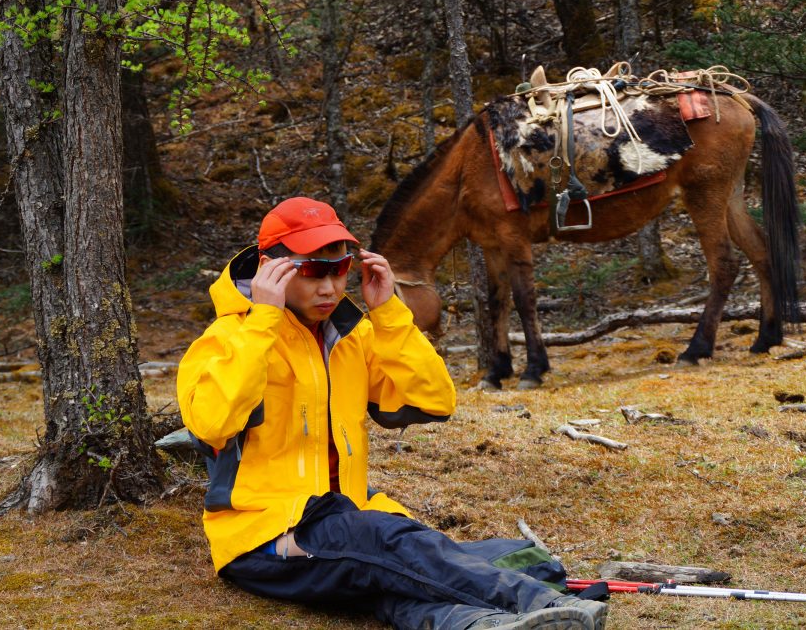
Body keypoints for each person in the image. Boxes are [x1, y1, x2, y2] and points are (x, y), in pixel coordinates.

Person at [177, 197, 607, 630]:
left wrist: (388, 315)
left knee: (512, 557)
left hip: (350, 523)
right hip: (265, 539)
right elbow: (211, 422)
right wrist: (264, 322)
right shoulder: (228, 338)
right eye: (312, 271)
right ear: (272, 267)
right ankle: (542, 605)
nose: (329, 287)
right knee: (392, 543)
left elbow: (434, 399)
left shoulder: (351, 336)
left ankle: (480, 624)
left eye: (340, 270)